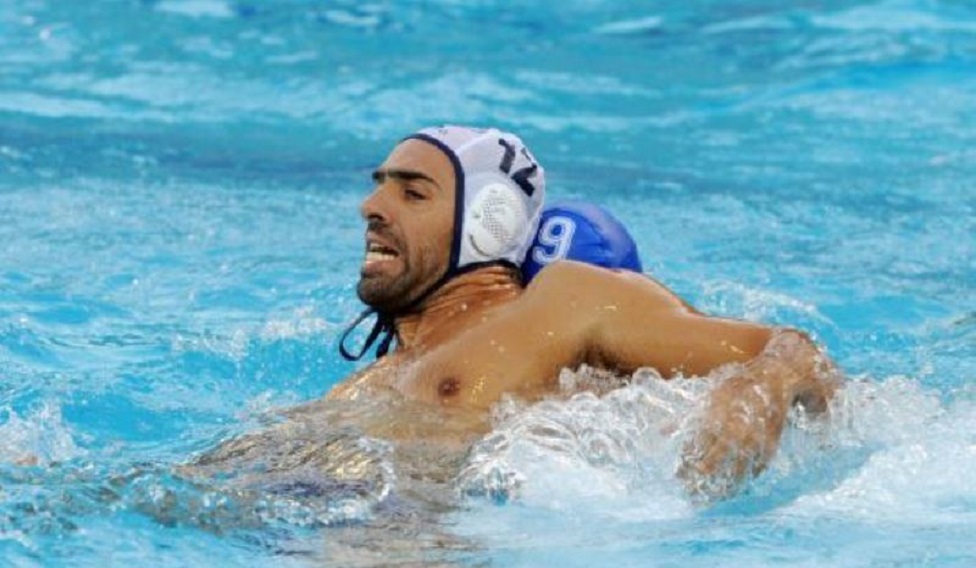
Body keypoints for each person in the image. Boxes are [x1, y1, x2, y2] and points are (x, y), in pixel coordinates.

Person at [327, 125, 842, 498]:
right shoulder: (372, 379)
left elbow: (795, 352)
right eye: (379, 185)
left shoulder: (562, 301)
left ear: (486, 221)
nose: (371, 206)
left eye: (412, 193)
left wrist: (755, 389)